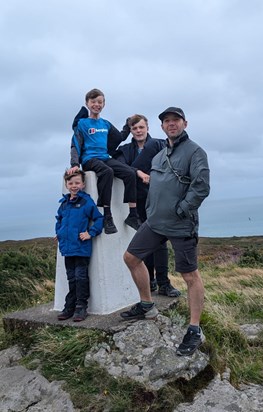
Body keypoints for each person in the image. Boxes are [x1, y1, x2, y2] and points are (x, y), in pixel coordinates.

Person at [121, 107, 210, 356]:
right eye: (167, 121)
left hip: (181, 223)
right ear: (161, 127)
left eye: (176, 120)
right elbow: (153, 183)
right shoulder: (159, 156)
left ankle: (194, 329)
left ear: (185, 123)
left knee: (190, 275)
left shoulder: (195, 152)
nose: (171, 124)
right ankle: (147, 304)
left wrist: (182, 210)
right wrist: (150, 209)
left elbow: (201, 187)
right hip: (155, 221)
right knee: (131, 257)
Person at [114, 114, 180, 297]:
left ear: (147, 128)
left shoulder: (159, 144)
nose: (138, 131)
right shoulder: (125, 150)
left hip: (159, 199)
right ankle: (149, 280)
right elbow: (118, 167)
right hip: (138, 201)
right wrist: (138, 171)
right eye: (134, 128)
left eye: (141, 127)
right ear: (130, 131)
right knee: (144, 242)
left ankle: (164, 283)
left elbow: (171, 165)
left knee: (160, 242)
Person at [68, 88, 140, 234]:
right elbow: (75, 144)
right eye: (93, 101)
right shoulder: (82, 124)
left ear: (104, 104)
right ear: (87, 103)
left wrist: (127, 124)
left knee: (130, 173)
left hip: (105, 157)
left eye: (100, 102)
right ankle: (107, 216)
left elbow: (119, 137)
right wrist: (75, 164)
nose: (97, 104)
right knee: (107, 172)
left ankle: (132, 215)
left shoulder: (105, 124)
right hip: (89, 159)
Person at [56, 169, 104, 322]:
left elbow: (99, 219)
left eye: (77, 183)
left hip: (81, 247)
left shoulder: (86, 201)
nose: (74, 186)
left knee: (80, 277)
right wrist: (59, 232)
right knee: (71, 278)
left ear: (83, 184)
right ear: (66, 185)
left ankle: (81, 307)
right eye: (70, 183)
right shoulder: (63, 204)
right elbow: (59, 220)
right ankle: (69, 306)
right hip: (67, 248)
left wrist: (90, 233)